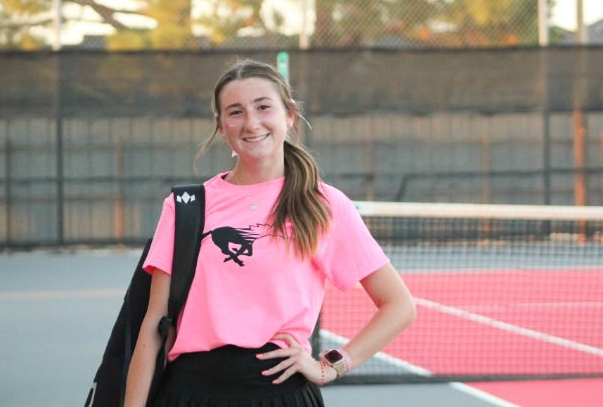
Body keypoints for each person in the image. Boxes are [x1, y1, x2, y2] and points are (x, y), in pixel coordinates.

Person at [125, 58, 416, 407]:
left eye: (263, 107)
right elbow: (154, 324)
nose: (251, 123)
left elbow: (399, 305)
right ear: (221, 127)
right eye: (235, 112)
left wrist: (330, 367)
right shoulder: (185, 206)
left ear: (289, 115)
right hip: (188, 394)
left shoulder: (323, 204)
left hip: (282, 395)